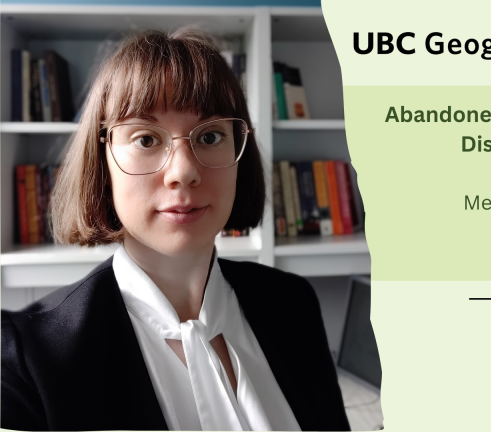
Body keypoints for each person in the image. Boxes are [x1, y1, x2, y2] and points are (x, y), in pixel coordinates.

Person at [1, 29, 350, 431]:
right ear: (103, 159)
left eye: (210, 136)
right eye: (146, 138)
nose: (184, 172)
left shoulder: (293, 305)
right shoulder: (23, 359)